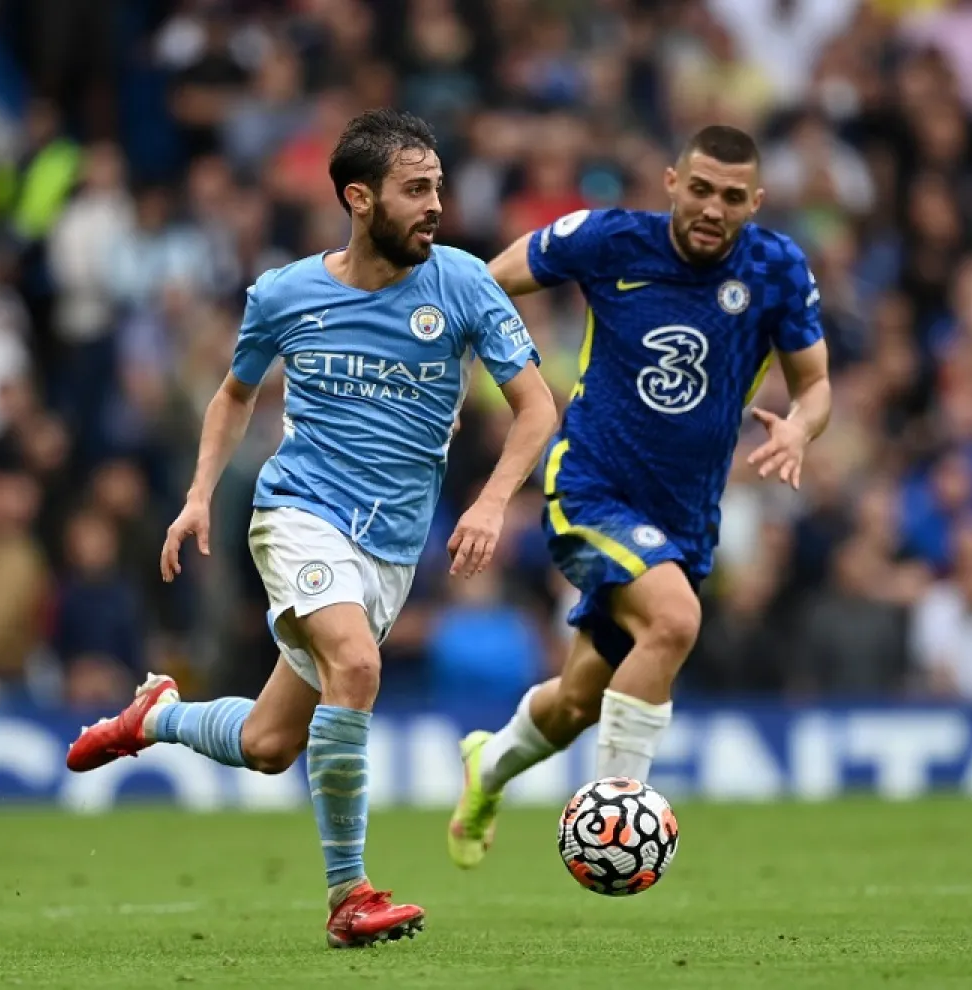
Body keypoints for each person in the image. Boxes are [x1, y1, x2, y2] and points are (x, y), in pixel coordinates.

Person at [64, 109, 556, 947]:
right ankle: (348, 895)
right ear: (359, 199)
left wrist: (491, 498)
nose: (435, 204)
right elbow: (233, 395)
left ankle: (156, 716)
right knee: (356, 664)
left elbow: (537, 407)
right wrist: (195, 496)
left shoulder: (466, 284)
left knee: (267, 744)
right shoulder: (285, 293)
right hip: (299, 513)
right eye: (415, 189)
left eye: (437, 185)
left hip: (392, 546)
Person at [447, 125, 832, 870]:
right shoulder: (610, 239)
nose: (712, 208)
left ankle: (488, 767)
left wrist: (800, 431)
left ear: (754, 202)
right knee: (675, 620)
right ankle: (614, 825)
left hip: (685, 520)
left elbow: (815, 387)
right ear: (670, 183)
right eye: (699, 189)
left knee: (577, 700)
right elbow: (482, 286)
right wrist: (460, 375)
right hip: (590, 488)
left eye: (730, 196)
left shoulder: (776, 268)